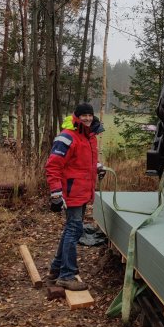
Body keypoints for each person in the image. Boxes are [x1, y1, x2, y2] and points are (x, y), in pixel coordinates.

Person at [45, 102, 104, 291]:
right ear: (76, 117)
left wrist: (97, 168)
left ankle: (55, 269)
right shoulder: (66, 137)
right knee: (74, 230)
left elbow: (81, 163)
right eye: (83, 115)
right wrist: (55, 192)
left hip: (82, 191)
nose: (87, 118)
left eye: (90, 115)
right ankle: (66, 275)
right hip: (71, 192)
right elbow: (53, 166)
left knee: (72, 229)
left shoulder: (89, 136)